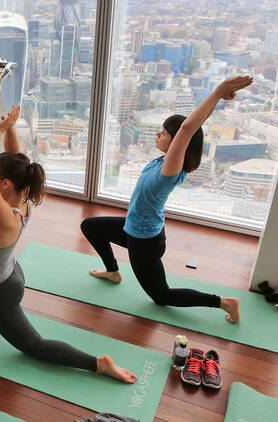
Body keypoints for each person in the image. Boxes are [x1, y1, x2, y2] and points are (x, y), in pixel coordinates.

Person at [0, 106, 137, 384]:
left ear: (5, 184)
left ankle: (98, 364)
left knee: (33, 346)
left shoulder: (5, 220)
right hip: (5, 270)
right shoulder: (22, 198)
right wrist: (10, 128)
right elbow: (13, 162)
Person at [80, 76, 253, 324]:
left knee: (161, 296)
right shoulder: (160, 161)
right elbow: (186, 131)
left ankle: (223, 302)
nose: (160, 132)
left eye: (166, 131)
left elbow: (187, 130)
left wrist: (217, 94)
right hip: (134, 228)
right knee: (90, 226)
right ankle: (112, 272)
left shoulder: (169, 171)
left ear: (178, 145)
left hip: (145, 242)